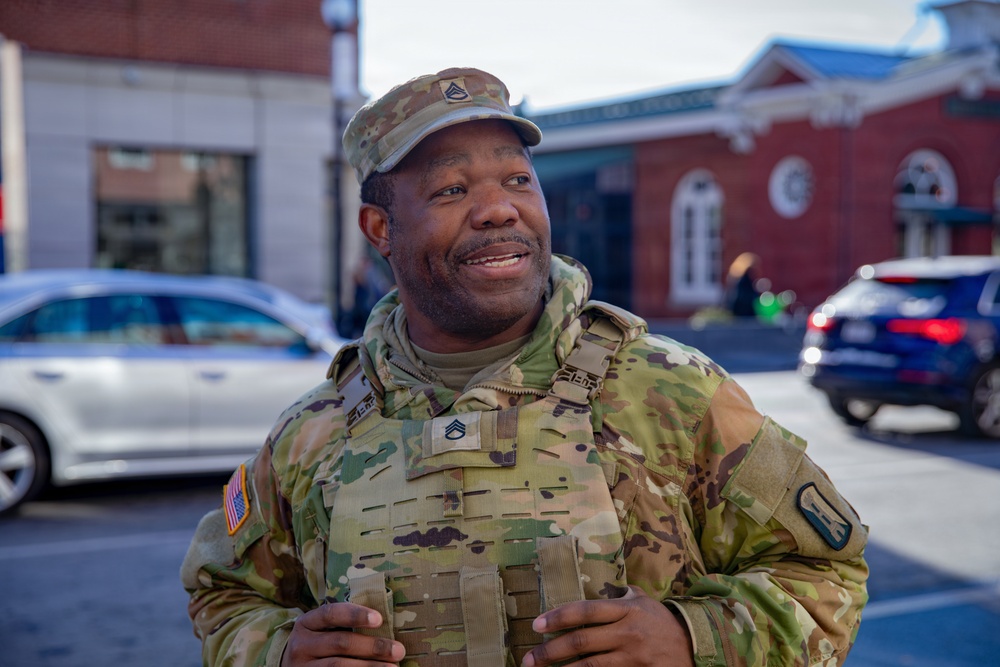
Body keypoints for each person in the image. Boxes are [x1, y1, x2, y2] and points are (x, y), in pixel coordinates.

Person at [181, 67, 869, 667]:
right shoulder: (312, 435)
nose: (499, 209)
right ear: (380, 230)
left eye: (516, 179)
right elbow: (224, 593)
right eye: (451, 190)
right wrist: (276, 651)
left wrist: (698, 640)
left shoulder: (672, 392)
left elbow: (824, 568)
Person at [726, 252, 762, 318]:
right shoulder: (745, 279)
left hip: (737, 312)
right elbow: (747, 297)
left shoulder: (736, 278)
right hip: (745, 312)